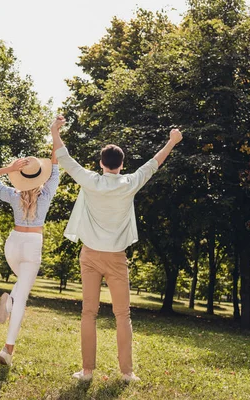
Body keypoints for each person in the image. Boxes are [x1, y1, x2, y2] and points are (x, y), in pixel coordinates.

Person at [51, 115, 183, 382]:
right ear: (122, 165)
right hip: (116, 259)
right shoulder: (129, 183)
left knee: (89, 312)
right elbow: (153, 164)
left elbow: (64, 157)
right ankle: (127, 373)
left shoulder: (90, 180)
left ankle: (87, 371)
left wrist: (55, 131)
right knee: (122, 315)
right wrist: (171, 142)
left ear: (101, 164)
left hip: (89, 255)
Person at [0, 118, 63, 367]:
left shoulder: (13, 194)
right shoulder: (47, 193)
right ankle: (7, 349)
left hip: (13, 245)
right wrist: (54, 131)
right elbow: (56, 161)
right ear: (41, 175)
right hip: (32, 244)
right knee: (22, 295)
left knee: (21, 287)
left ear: (21, 176)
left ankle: (10, 302)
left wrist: (9, 169)